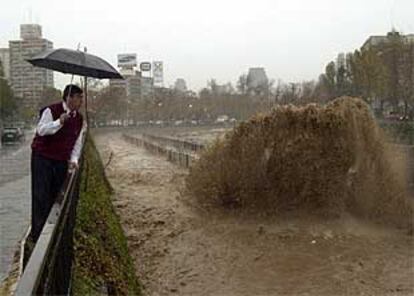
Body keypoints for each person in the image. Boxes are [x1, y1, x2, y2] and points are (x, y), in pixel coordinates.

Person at [30, 84, 86, 242]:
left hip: (61, 159)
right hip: (43, 157)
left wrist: (74, 160)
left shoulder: (79, 118)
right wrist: (58, 122)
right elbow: (41, 130)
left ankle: (54, 234)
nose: (81, 101)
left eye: (81, 98)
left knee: (58, 194)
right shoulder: (51, 111)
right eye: (78, 97)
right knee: (41, 195)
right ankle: (38, 237)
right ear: (69, 97)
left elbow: (77, 141)